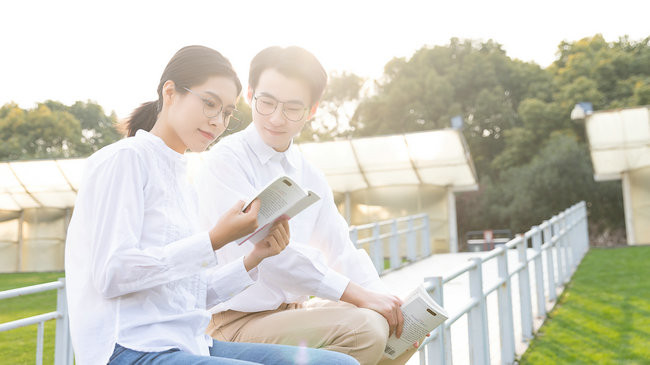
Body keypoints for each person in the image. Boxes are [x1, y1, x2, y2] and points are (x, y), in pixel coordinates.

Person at [64, 45, 359, 365]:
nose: (218, 121)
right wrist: (215, 238)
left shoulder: (183, 183)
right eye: (209, 104)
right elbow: (113, 273)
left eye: (228, 113)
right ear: (171, 92)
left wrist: (255, 258)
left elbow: (189, 295)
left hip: (189, 342)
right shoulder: (126, 160)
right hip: (129, 347)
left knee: (340, 364)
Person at [194, 46, 420, 365]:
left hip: (292, 315)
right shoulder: (225, 161)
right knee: (367, 330)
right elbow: (273, 254)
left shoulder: (308, 172)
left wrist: (386, 302)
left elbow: (341, 248)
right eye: (267, 102)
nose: (275, 117)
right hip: (232, 322)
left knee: (400, 331)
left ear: (312, 110)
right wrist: (359, 296)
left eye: (292, 108)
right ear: (250, 94)